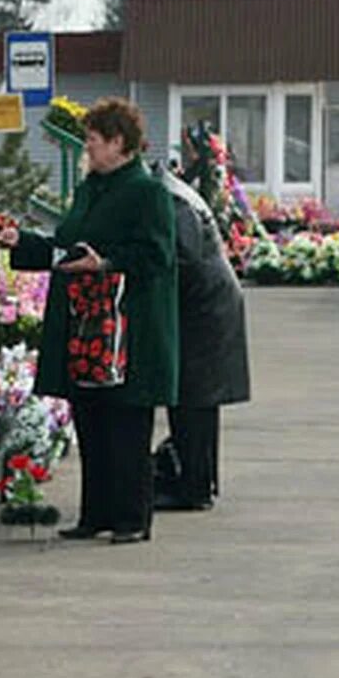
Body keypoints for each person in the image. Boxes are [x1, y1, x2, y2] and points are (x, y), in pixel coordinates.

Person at [0, 98, 179, 544]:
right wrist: (21, 243)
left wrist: (107, 263)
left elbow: (158, 255)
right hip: (84, 325)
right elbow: (68, 247)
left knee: (126, 424)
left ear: (119, 143)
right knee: (91, 419)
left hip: (126, 328)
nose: (88, 151)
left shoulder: (147, 191)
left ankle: (132, 518)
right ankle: (95, 514)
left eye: (93, 142)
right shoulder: (92, 187)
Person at [154, 153, 249, 509]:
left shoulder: (170, 199)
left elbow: (183, 258)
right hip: (209, 305)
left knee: (192, 400)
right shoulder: (173, 192)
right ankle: (199, 483)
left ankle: (193, 488)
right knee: (198, 403)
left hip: (204, 310)